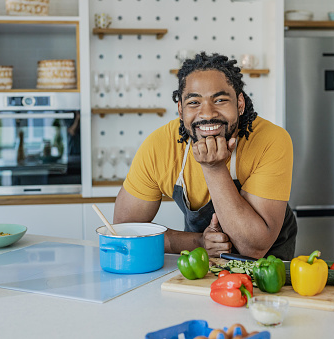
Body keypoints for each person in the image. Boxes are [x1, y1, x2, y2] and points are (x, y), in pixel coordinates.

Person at [113, 52, 297, 260]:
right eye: (194, 102)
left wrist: (214, 168)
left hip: (268, 266)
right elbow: (124, 230)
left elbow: (253, 248)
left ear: (240, 104)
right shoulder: (160, 146)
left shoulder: (270, 140)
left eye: (219, 100)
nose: (207, 113)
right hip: (200, 263)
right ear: (181, 111)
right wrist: (199, 242)